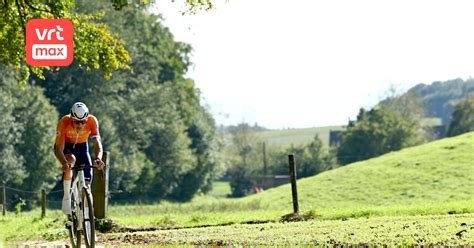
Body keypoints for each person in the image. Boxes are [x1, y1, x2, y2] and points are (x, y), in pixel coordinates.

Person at [54, 102, 105, 215]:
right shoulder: (64, 122)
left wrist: (98, 158)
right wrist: (64, 163)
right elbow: (58, 149)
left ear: (87, 118)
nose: (80, 125)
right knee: (70, 161)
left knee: (87, 185)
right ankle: (67, 196)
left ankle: (87, 219)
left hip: (82, 148)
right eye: (77, 121)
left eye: (83, 122)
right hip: (66, 147)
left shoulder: (92, 120)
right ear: (72, 118)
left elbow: (98, 144)